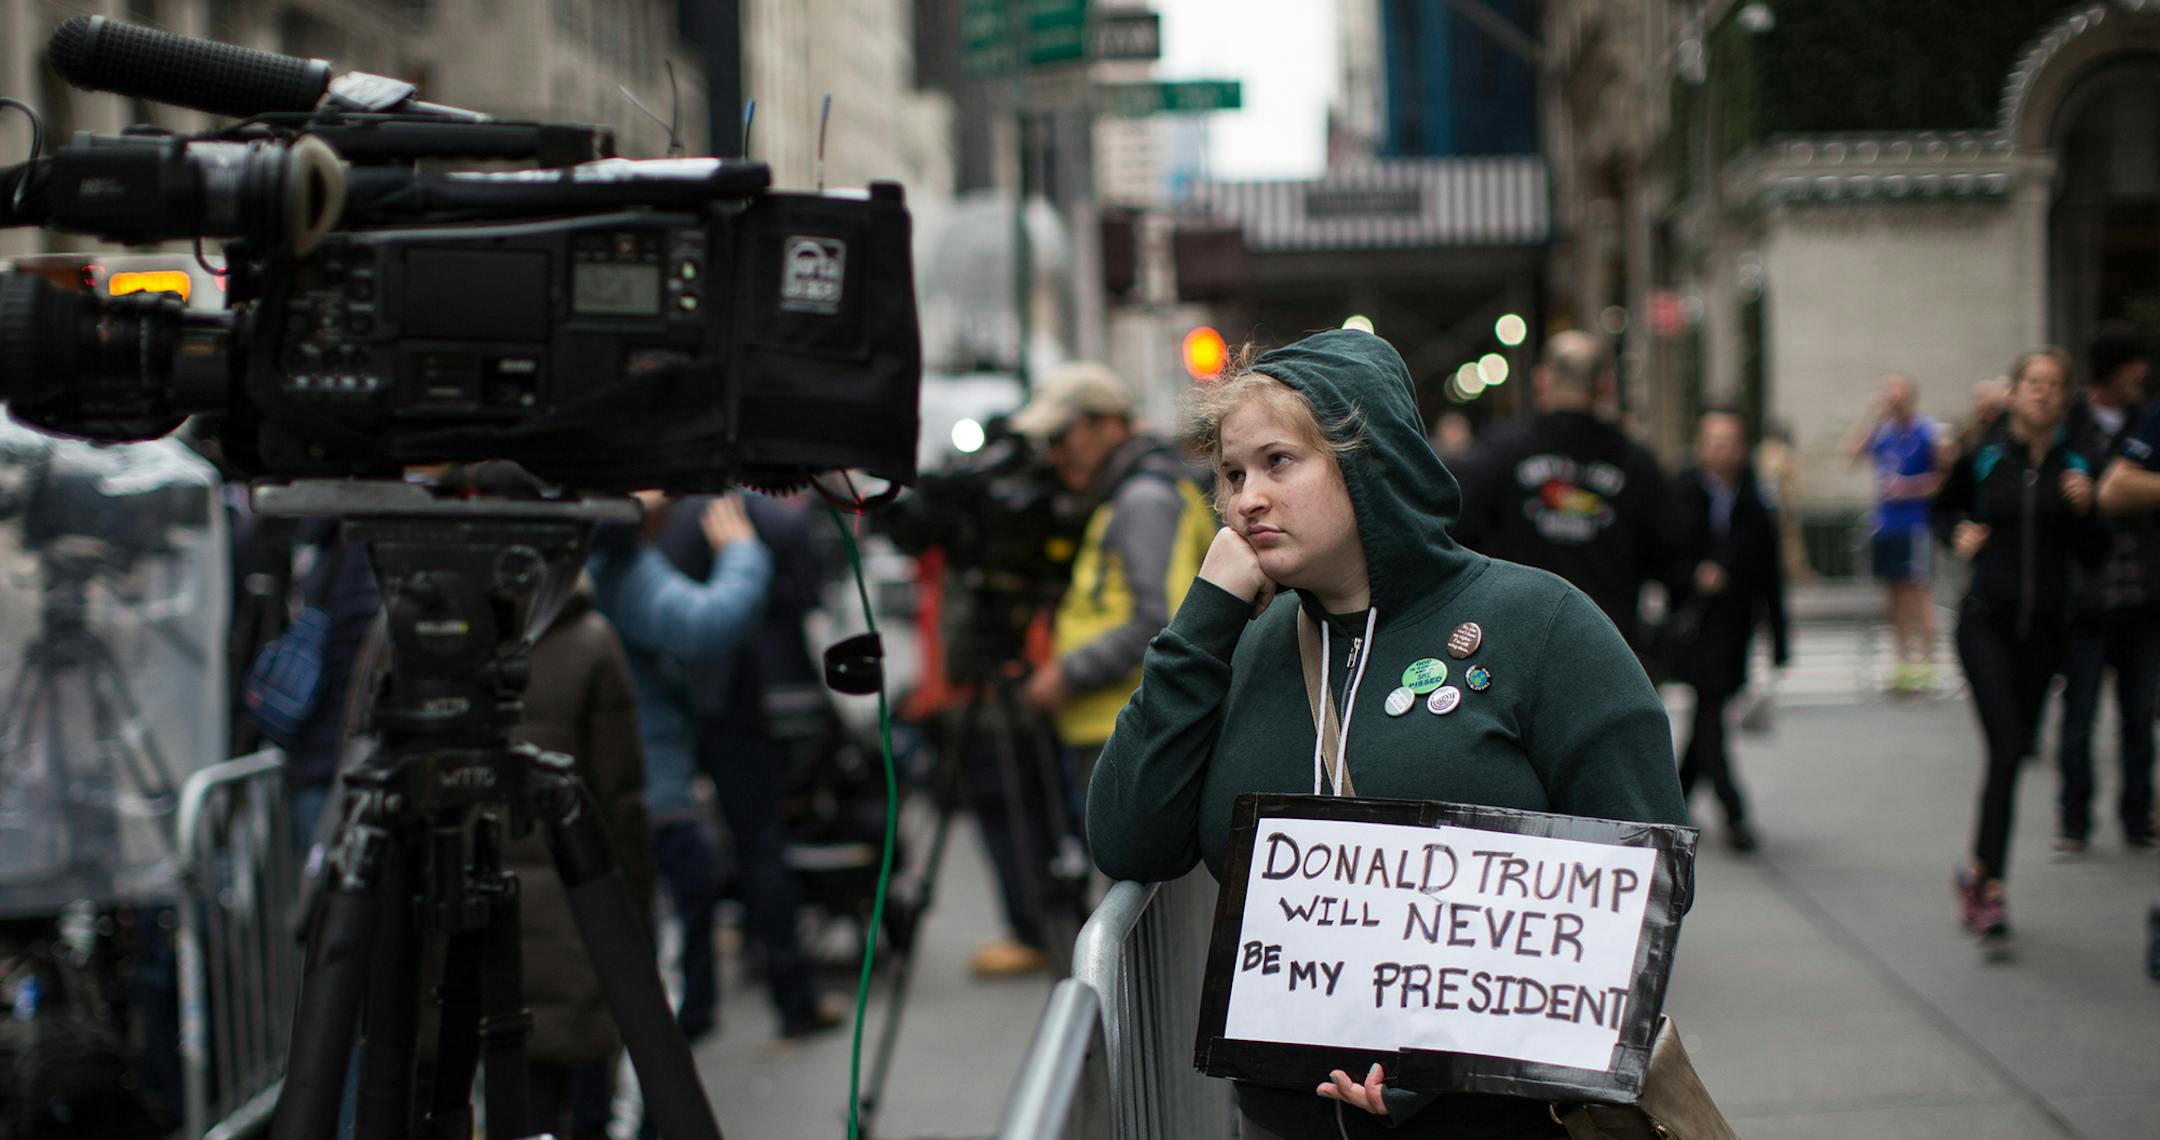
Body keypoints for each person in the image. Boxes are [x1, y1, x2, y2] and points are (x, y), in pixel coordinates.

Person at [1086, 330, 1688, 1137]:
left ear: (1368, 461)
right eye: (1231, 475)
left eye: (1278, 462)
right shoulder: (1246, 646)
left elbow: (1641, 887)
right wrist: (1202, 622)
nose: (1244, 500)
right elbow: (1129, 838)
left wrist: (1435, 1051)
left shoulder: (1544, 625)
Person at [984, 361, 1213, 977]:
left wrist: (1067, 673)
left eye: (1063, 435)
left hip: (1125, 727)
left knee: (1130, 923)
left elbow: (1157, 623)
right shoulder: (1132, 491)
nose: (1053, 453)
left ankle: (1128, 1058)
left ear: (1109, 425)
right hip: (1114, 726)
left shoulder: (1141, 497)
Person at [656, 492, 846, 1038]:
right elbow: (798, 596)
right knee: (760, 846)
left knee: (683, 855)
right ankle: (792, 995)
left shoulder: (663, 518)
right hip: (738, 704)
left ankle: (693, 1009)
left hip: (687, 704)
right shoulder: (762, 522)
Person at [1932, 348, 2102, 944]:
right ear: (2015, 391)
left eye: (2055, 385)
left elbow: (2096, 554)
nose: (2044, 393)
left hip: (2046, 636)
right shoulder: (1984, 455)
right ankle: (1991, 884)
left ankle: (1974, 871)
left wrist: (2087, 510)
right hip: (1985, 625)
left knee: (2017, 749)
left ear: (2065, 397)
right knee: (2005, 748)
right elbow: (1940, 508)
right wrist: (1958, 532)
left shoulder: (2079, 462)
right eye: (2034, 383)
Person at [588, 494, 772, 1043]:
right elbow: (703, 624)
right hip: (650, 798)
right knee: (659, 1004)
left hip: (630, 792)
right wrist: (742, 553)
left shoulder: (589, 557)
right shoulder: (612, 559)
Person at [506, 576, 653, 1139]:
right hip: (571, 929)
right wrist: (634, 925)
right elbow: (620, 808)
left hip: (454, 944)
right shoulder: (588, 639)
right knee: (566, 1106)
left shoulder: (408, 631)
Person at [1453, 330, 1667, 647]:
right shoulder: (1636, 463)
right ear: (1605, 385)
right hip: (1608, 644)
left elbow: (1458, 529)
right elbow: (1667, 555)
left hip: (1517, 637)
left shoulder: (1501, 453)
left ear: (1541, 379)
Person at [1661, 410, 1790, 852]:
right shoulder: (1679, 492)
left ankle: (1671, 807)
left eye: (1730, 441)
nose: (1722, 449)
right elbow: (1660, 555)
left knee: (1707, 717)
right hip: (1694, 626)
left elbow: (1771, 577)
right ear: (1700, 445)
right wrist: (1693, 575)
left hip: (1734, 628)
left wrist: (1779, 640)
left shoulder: (1755, 500)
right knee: (1711, 718)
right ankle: (1735, 814)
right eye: (1714, 440)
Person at [2055, 322, 2157, 857]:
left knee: (2139, 717)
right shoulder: (2069, 423)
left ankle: (2137, 817)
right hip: (2086, 593)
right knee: (2080, 716)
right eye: (2136, 362)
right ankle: (2074, 822)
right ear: (2114, 368)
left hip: (2142, 592)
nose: (2144, 372)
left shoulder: (2148, 420)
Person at [1842, 373, 1944, 694]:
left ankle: (1927, 664)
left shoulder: (1926, 432)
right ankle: (1903, 666)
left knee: (1917, 594)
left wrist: (1910, 489)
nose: (1891, 399)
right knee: (1894, 597)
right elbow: (1851, 452)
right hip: (1887, 525)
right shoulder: (1883, 433)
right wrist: (1871, 413)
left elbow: (1942, 479)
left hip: (1915, 525)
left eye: (1896, 394)